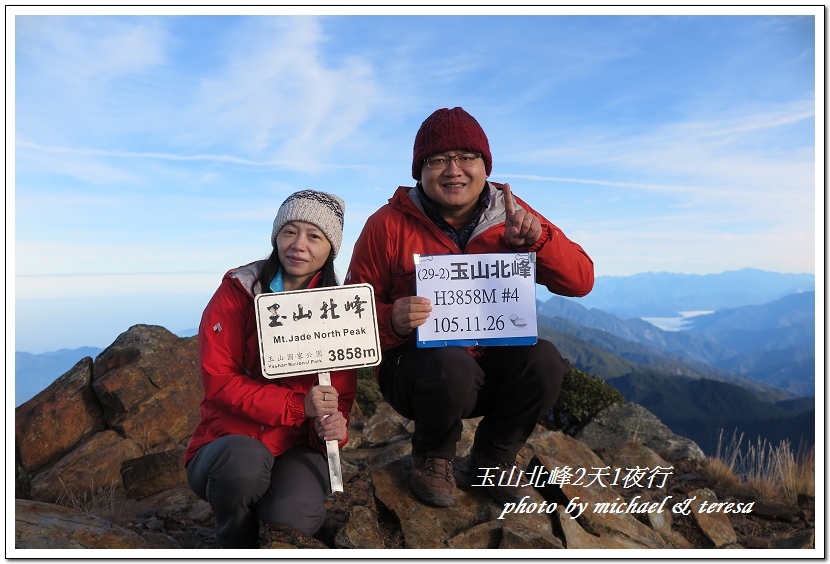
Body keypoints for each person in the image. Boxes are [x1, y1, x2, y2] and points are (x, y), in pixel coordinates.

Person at [345, 107, 594, 507]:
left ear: (485, 165)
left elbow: (581, 281)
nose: (453, 170)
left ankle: (493, 460)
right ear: (419, 170)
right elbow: (351, 313)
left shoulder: (511, 214)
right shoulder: (387, 225)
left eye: (466, 157)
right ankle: (432, 455)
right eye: (438, 159)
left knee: (545, 359)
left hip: (488, 368)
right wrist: (390, 318)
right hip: (419, 374)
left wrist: (539, 240)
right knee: (449, 364)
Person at [184, 190, 357, 548]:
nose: (298, 245)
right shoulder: (238, 292)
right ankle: (234, 540)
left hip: (294, 449)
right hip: (227, 443)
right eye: (289, 231)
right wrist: (298, 406)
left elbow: (336, 402)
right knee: (243, 466)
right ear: (276, 236)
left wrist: (334, 429)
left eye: (314, 236)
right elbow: (220, 381)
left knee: (295, 517)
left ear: (331, 249)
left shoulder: (338, 312)